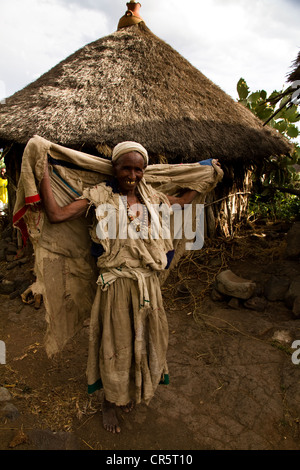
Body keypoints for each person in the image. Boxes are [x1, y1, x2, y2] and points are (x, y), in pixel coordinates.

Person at [40, 141, 202, 434]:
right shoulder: (100, 197)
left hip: (148, 288)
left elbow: (183, 202)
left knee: (147, 341)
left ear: (144, 172)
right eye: (125, 167)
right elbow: (57, 215)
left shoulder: (152, 198)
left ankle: (131, 390)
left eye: (138, 169)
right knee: (116, 345)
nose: (132, 174)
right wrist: (41, 173)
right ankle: (109, 402)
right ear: (113, 168)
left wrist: (205, 176)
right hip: (115, 287)